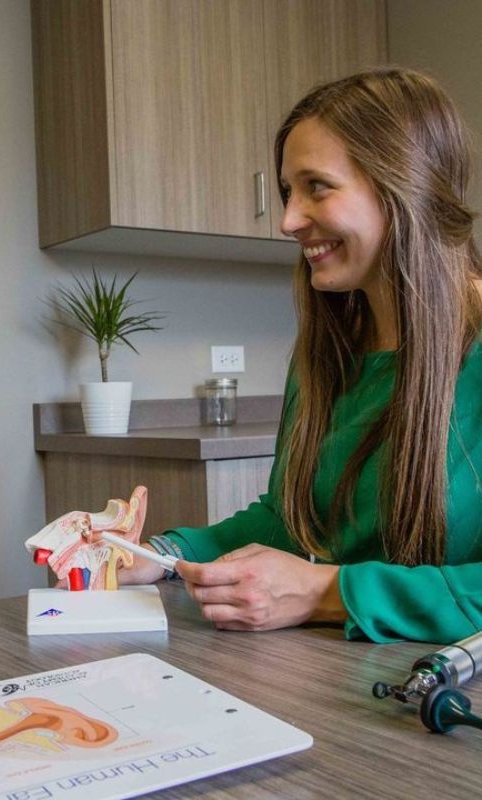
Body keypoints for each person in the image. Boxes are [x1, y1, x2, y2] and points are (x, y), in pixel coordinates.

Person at [121, 67, 482, 645]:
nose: (288, 219)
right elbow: (292, 521)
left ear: (406, 185)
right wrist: (154, 554)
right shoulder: (327, 356)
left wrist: (325, 592)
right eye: (288, 191)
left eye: (317, 186)